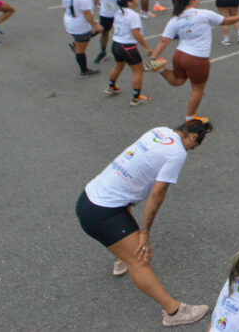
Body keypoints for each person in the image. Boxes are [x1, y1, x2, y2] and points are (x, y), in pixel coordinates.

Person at [75, 119, 214, 328]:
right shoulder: (177, 152)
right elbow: (158, 193)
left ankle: (121, 256)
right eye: (193, 147)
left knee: (127, 224)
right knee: (139, 260)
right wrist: (145, 234)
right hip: (101, 213)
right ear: (193, 137)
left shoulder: (158, 131)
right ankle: (173, 311)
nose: (190, 150)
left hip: (89, 197)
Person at [149, 0, 239, 121]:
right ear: (191, 1)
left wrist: (153, 57)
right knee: (197, 89)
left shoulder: (175, 19)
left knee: (177, 81)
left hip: (179, 55)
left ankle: (160, 68)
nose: (199, 1)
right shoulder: (203, 14)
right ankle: (190, 118)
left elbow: (164, 40)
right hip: (197, 58)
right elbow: (226, 21)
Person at [106, 0, 155, 105]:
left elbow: (113, 27)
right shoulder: (133, 15)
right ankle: (136, 98)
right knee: (138, 71)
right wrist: (147, 47)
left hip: (116, 44)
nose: (137, 0)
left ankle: (111, 87)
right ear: (130, 3)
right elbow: (136, 34)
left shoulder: (118, 12)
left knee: (118, 65)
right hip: (128, 47)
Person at [63, 0, 103, 77]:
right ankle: (84, 70)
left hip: (70, 22)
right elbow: (87, 14)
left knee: (100, 29)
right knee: (80, 50)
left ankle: (76, 44)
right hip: (80, 25)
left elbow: (64, 9)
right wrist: (94, 25)